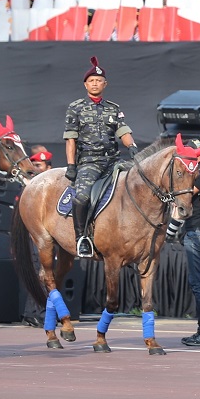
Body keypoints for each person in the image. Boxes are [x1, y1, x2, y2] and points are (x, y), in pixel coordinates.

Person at [63, 57, 138, 258]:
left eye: (99, 80)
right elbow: (71, 139)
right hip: (89, 162)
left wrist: (132, 147)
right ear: (85, 84)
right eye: (91, 80)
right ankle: (81, 239)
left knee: (139, 184)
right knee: (82, 196)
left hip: (114, 160)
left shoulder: (113, 108)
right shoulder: (76, 107)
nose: (95, 83)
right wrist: (71, 165)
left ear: (105, 84)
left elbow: (123, 131)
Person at [163, 137, 200, 347]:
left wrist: (170, 231)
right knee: (198, 282)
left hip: (199, 232)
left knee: (199, 283)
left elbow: (183, 197)